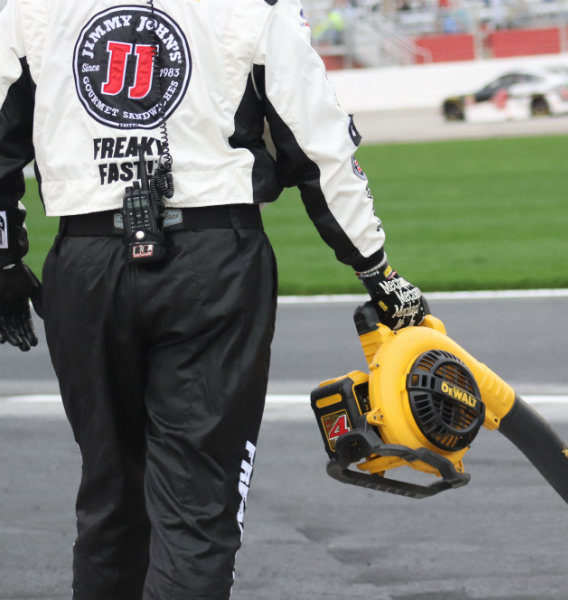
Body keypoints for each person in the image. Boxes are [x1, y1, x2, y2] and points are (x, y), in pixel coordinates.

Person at [0, 0, 426, 598]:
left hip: (86, 260)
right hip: (212, 256)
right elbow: (320, 145)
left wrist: (3, 258)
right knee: (197, 501)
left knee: (109, 493)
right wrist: (377, 269)